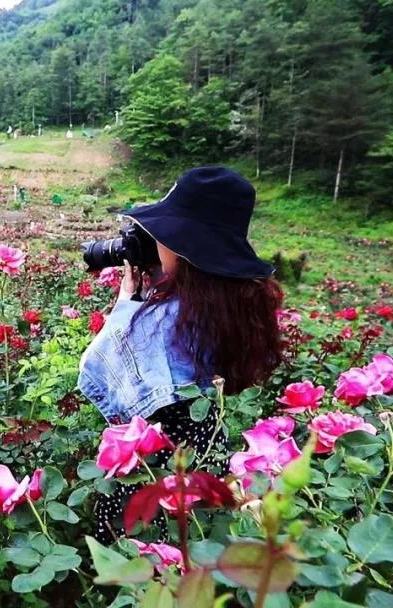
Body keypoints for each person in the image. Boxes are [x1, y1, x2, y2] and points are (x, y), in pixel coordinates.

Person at [77, 166, 284, 544]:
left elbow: (98, 368)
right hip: (206, 449)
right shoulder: (230, 302)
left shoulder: (161, 320)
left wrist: (127, 305)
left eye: (165, 235)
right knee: (191, 546)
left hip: (154, 464)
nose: (157, 243)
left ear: (187, 247)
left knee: (143, 552)